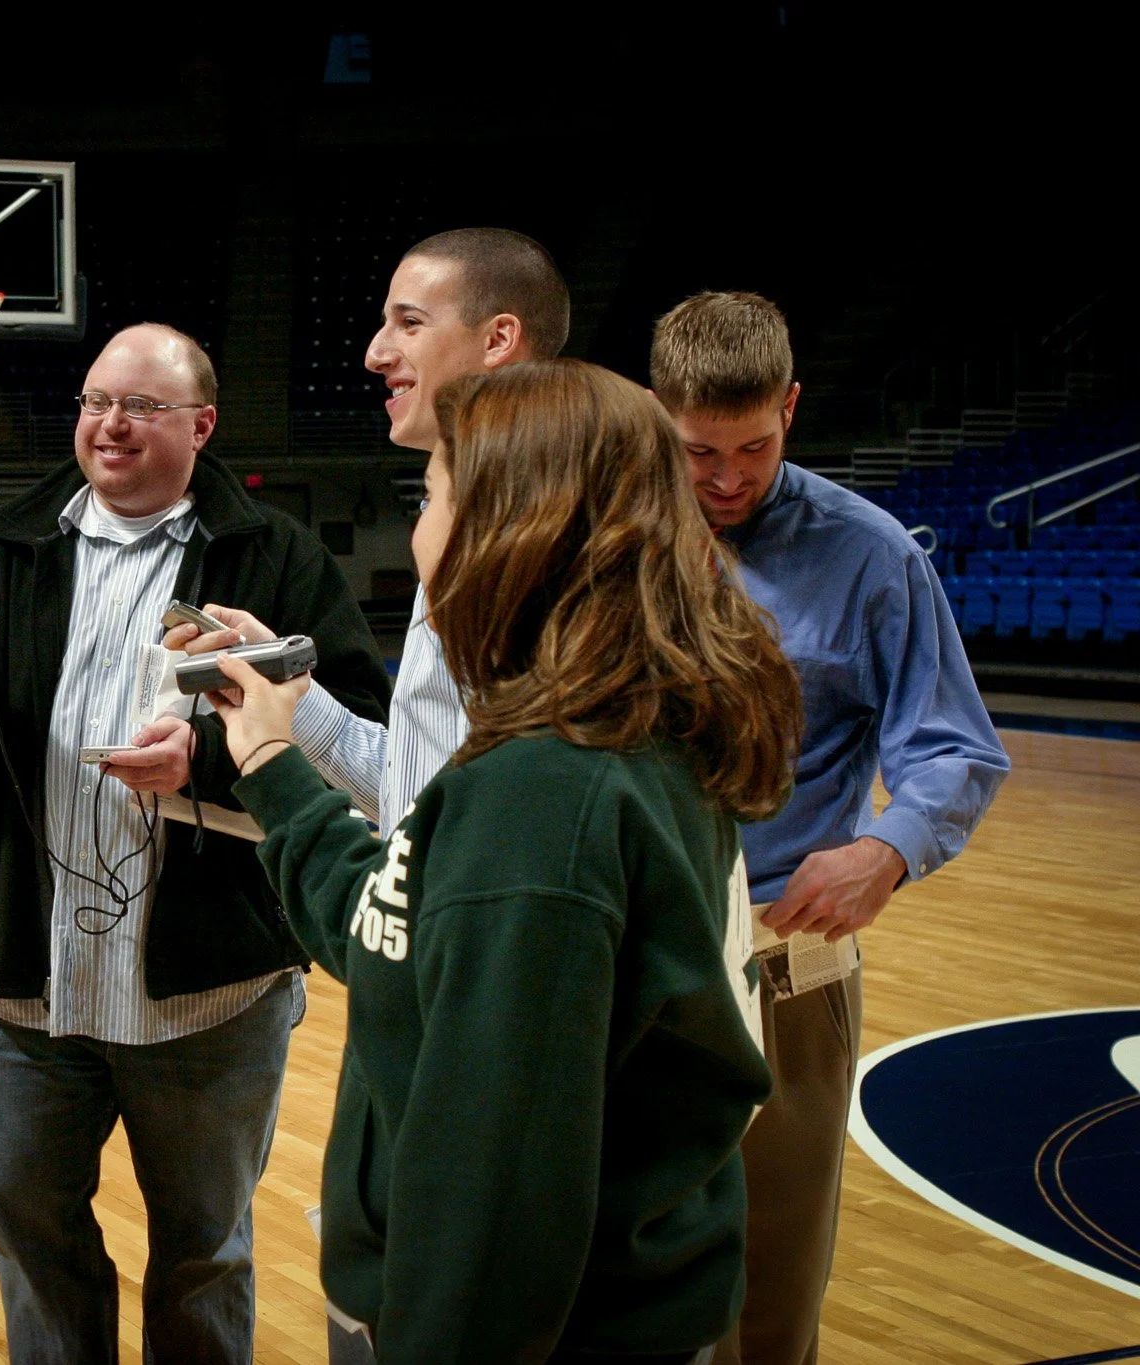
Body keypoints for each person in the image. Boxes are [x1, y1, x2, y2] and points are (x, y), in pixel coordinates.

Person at [212, 359, 795, 1363]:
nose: (419, 528)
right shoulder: (616, 732)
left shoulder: (542, 799)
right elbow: (394, 936)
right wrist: (270, 757)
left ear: (507, 526)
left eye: (431, 497)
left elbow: (494, 1188)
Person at [0, 323, 390, 1363]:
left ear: (201, 427)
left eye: (141, 407)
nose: (109, 425)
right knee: (32, 1240)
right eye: (94, 402)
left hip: (212, 992)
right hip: (32, 988)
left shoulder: (274, 557)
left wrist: (202, 764)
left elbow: (353, 737)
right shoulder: (7, 543)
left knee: (203, 1253)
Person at [650, 291, 1010, 1365]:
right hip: (628, 953)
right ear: (651, 415)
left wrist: (887, 849)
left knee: (770, 1285)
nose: (723, 479)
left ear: (792, 408)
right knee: (630, 1287)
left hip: (784, 962)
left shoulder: (870, 555)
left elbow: (953, 749)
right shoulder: (604, 534)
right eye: (695, 451)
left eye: (750, 448)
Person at [165, 228, 570, 836]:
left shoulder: (561, 540)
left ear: (498, 339)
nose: (375, 353)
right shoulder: (483, 526)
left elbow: (511, 837)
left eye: (409, 322)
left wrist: (278, 780)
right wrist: (287, 692)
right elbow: (415, 789)